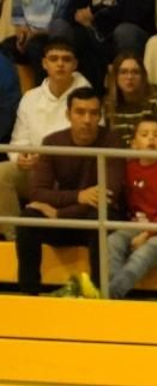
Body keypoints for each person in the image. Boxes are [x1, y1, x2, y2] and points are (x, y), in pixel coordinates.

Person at [16, 87, 119, 296]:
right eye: (80, 112)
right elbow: (38, 193)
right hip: (67, 219)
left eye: (93, 113)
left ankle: (99, 293)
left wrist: (60, 213)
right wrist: (78, 196)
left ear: (100, 115)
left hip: (92, 221)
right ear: (68, 115)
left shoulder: (112, 141)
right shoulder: (53, 142)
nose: (87, 119)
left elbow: (108, 195)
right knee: (28, 219)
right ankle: (29, 294)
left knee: (99, 215)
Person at [1, 38, 90, 240]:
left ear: (74, 65)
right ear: (44, 64)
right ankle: (14, 238)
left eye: (66, 59)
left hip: (71, 177)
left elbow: (89, 143)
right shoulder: (30, 98)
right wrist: (19, 158)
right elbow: (18, 142)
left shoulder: (87, 97)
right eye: (54, 59)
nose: (60, 64)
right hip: (36, 171)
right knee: (2, 173)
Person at [102, 114, 157, 297]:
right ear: (133, 144)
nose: (151, 138)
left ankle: (109, 295)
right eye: (144, 134)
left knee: (142, 254)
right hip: (136, 226)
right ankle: (116, 297)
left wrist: (147, 234)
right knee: (112, 242)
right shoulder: (128, 168)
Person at [104, 51, 157, 146]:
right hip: (119, 158)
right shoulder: (107, 105)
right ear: (115, 77)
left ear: (143, 76)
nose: (129, 77)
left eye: (135, 72)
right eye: (123, 72)